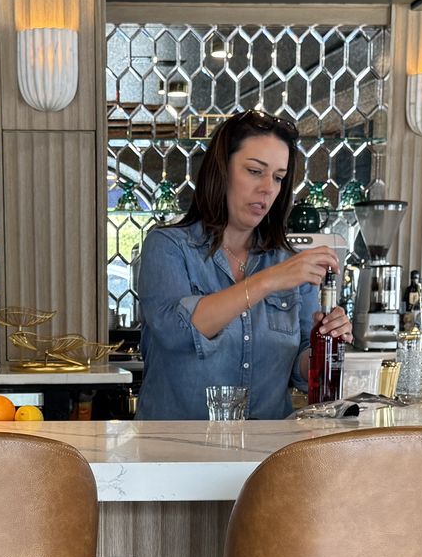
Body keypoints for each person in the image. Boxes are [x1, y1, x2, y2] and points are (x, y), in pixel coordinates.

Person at [134, 110, 351, 420]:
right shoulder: (168, 246)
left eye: (277, 177)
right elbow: (177, 333)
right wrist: (267, 281)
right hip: (176, 453)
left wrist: (325, 343)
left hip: (264, 453)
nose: (267, 188)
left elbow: (300, 371)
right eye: (254, 171)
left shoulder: (286, 263)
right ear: (221, 171)